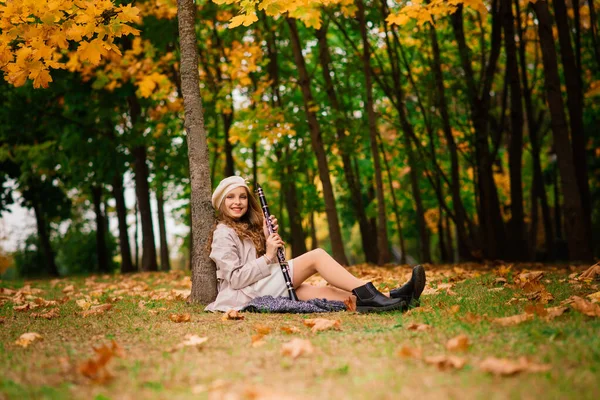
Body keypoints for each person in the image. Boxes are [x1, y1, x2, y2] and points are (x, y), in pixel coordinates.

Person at [204, 176, 426, 313]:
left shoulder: (244, 227)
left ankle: (393, 300)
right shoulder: (223, 233)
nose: (237, 202)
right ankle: (371, 293)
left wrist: (264, 236)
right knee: (317, 256)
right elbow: (235, 278)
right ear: (221, 203)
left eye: (242, 197)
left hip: (257, 285)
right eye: (231, 198)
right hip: (243, 293)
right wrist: (268, 256)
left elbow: (256, 264)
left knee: (319, 291)